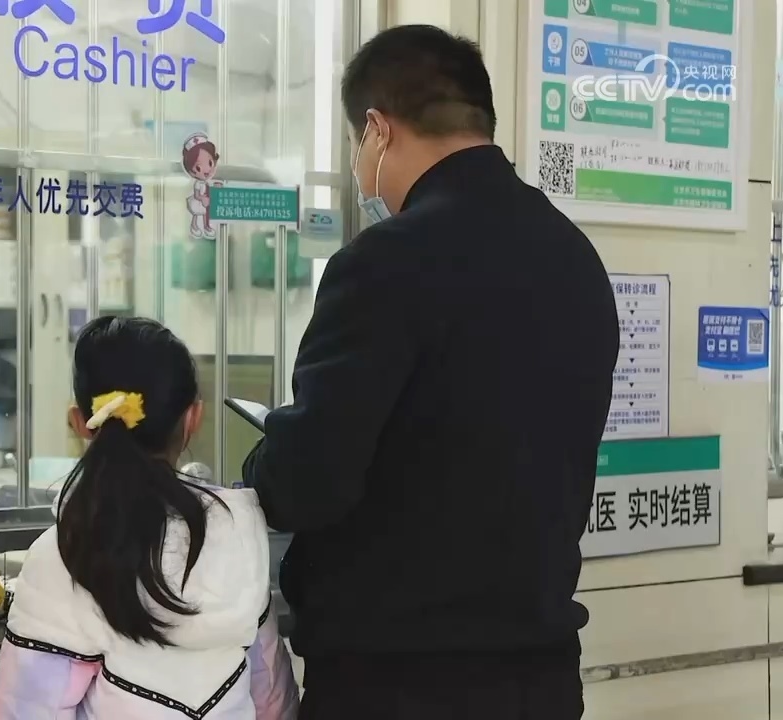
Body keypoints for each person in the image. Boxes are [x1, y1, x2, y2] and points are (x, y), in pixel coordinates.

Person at [241, 25, 619, 719]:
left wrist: (267, 458)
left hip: (399, 682)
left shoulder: (383, 262)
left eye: (356, 143)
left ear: (378, 129)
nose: (359, 166)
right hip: (541, 680)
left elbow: (308, 483)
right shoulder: (575, 258)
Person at [0, 316, 298, 719]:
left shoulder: (67, 553)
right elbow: (272, 695)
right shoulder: (238, 536)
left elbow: (29, 709)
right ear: (193, 418)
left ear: (80, 422)